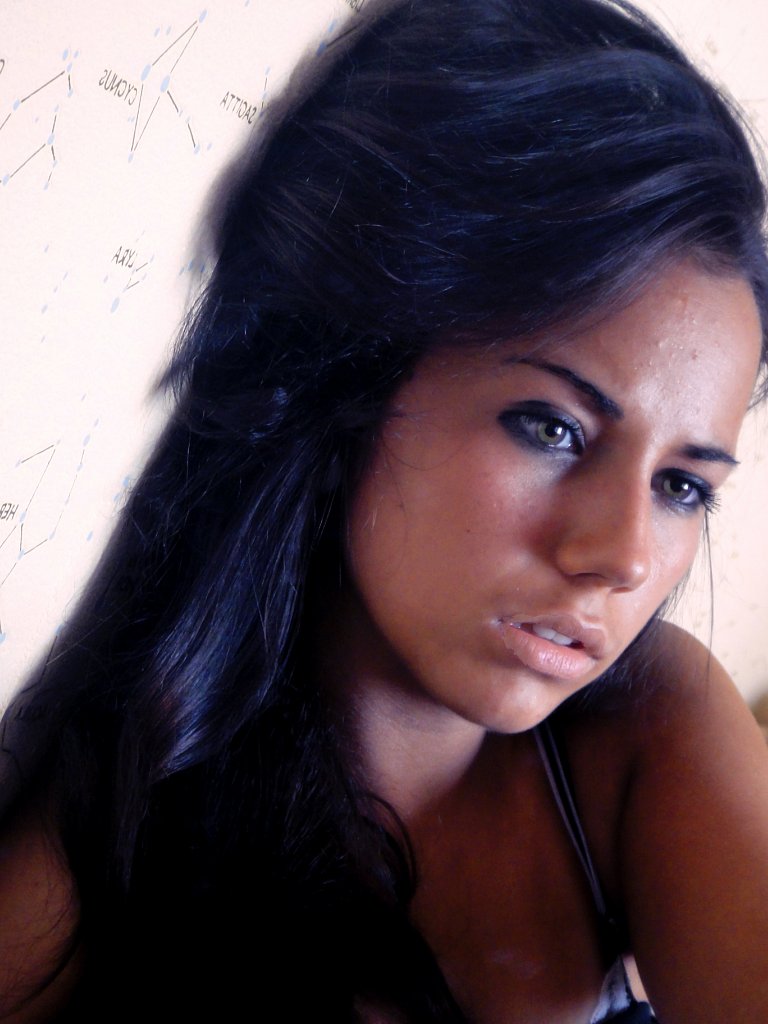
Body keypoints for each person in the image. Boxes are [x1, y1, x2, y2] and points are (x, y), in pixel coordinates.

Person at [2, 0, 768, 1020]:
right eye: (551, 427)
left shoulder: (647, 724)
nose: (623, 555)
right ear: (348, 378)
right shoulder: (80, 870)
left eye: (683, 486)